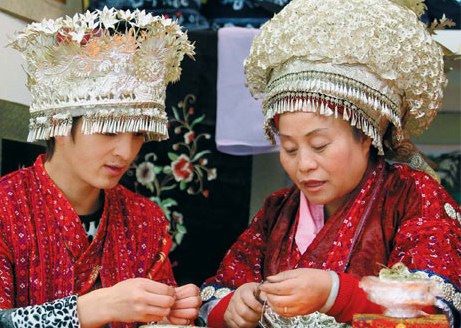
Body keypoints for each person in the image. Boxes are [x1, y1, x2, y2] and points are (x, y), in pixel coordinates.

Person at [199, 0, 461, 327]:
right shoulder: (278, 211)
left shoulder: (414, 197)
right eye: (290, 148)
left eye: (319, 145)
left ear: (367, 135)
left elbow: (436, 309)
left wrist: (335, 294)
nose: (303, 164)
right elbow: (219, 290)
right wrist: (234, 307)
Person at [0, 7, 201, 327]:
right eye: (109, 130)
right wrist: (90, 309)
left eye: (137, 133)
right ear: (59, 123)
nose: (125, 151)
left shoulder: (145, 220)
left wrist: (173, 316)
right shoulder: (5, 209)